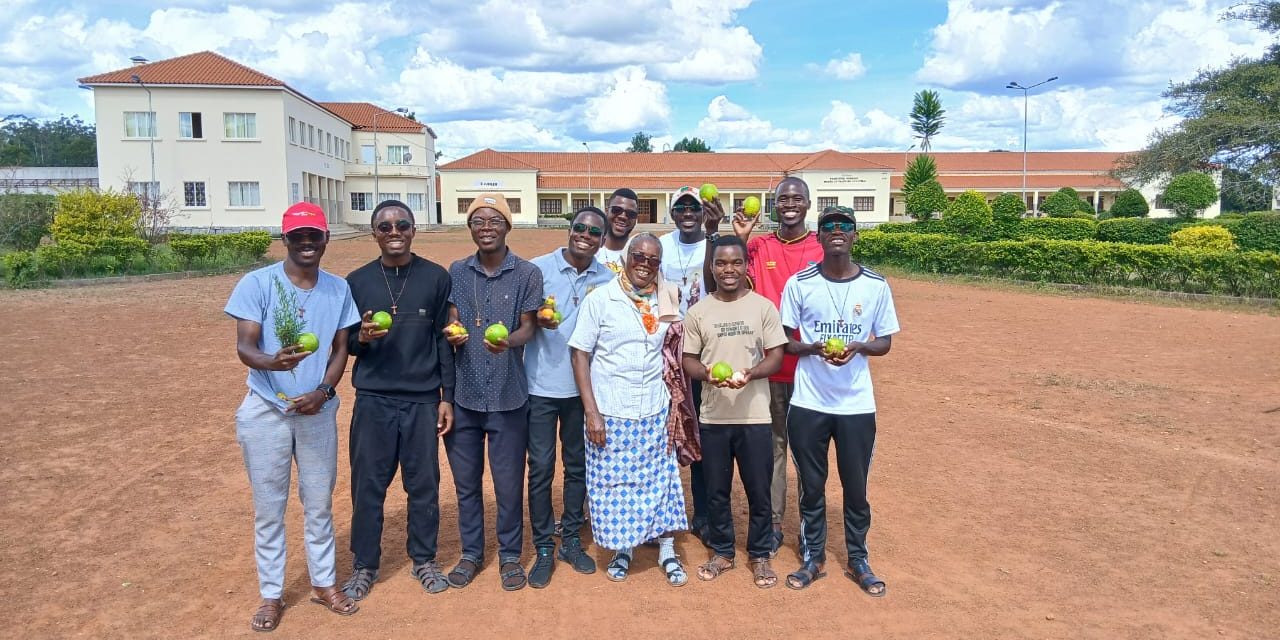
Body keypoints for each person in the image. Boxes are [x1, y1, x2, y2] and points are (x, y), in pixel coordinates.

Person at [224, 202, 361, 632]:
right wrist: (272, 362)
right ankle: (271, 593)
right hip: (266, 408)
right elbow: (245, 346)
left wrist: (323, 392)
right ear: (284, 239)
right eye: (297, 236)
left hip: (316, 411)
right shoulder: (257, 283)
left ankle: (323, 583)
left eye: (313, 236)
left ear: (325, 239)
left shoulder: (338, 289)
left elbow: (341, 349)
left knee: (319, 502)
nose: (306, 243)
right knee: (269, 507)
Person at [779, 206, 899, 596]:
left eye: (844, 225)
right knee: (812, 486)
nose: (836, 230)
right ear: (818, 236)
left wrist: (860, 346)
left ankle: (858, 558)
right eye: (828, 225)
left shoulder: (876, 285)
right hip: (809, 402)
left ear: (854, 235)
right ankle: (813, 558)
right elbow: (785, 341)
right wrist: (812, 348)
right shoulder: (800, 283)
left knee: (856, 487)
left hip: (856, 405)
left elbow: (885, 341)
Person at [340, 200, 455, 600]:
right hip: (374, 398)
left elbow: (443, 340)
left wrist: (446, 397)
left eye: (402, 225)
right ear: (374, 233)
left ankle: (424, 559)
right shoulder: (356, 282)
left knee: (423, 485)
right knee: (368, 486)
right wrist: (361, 339)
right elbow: (346, 342)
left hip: (422, 400)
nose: (394, 232)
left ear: (413, 230)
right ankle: (364, 565)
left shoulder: (436, 277)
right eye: (385, 226)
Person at [706, 176, 823, 556]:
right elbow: (729, 275)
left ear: (808, 203)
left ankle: (810, 529)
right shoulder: (758, 246)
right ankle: (773, 524)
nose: (789, 204)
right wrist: (740, 236)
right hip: (769, 368)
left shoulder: (821, 248)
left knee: (807, 452)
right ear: (773, 205)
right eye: (782, 198)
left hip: (811, 370)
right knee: (773, 448)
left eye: (796, 198)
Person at [568, 233, 691, 587]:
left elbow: (674, 351)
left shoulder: (668, 297)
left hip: (655, 408)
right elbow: (579, 354)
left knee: (662, 483)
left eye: (653, 260)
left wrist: (676, 403)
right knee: (615, 486)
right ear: (625, 258)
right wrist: (592, 412)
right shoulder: (600, 299)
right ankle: (624, 549)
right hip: (611, 410)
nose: (645, 264)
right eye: (638, 256)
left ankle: (667, 550)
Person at [442, 193, 544, 591]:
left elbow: (529, 327)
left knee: (507, 484)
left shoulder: (527, 273)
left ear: (507, 226)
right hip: (465, 395)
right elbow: (453, 318)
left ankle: (510, 555)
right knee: (466, 484)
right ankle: (471, 554)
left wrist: (508, 342)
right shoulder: (457, 271)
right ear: (470, 228)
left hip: (508, 396)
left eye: (494, 220)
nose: (486, 228)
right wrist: (454, 331)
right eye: (478, 221)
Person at [682, 236, 787, 589]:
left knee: (759, 490)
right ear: (712, 268)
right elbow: (688, 359)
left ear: (746, 266)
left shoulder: (763, 308)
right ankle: (723, 551)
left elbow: (776, 355)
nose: (729, 269)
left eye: (736, 262)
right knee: (716, 491)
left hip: (754, 416)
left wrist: (751, 373)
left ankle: (759, 554)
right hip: (714, 417)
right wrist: (707, 373)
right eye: (722, 263)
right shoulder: (698, 312)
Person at [523, 206, 615, 587]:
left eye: (594, 232)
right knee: (541, 468)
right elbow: (518, 320)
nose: (585, 236)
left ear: (603, 240)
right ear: (570, 229)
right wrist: (535, 319)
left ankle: (572, 538)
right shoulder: (537, 270)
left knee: (578, 467)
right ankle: (545, 545)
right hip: (540, 387)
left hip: (583, 391)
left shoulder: (608, 279)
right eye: (580, 228)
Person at [657, 185, 722, 543]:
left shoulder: (713, 243)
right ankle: (655, 515)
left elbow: (716, 284)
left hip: (703, 350)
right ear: (672, 213)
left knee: (700, 431)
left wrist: (713, 234)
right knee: (661, 431)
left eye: (693, 207)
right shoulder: (662, 246)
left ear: (703, 211)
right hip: (666, 350)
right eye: (680, 207)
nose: (687, 213)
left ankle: (704, 515)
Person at [595, 188, 640, 273]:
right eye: (616, 210)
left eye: (630, 213)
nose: (623, 216)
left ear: (636, 218)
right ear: (607, 211)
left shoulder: (641, 258)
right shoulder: (590, 253)